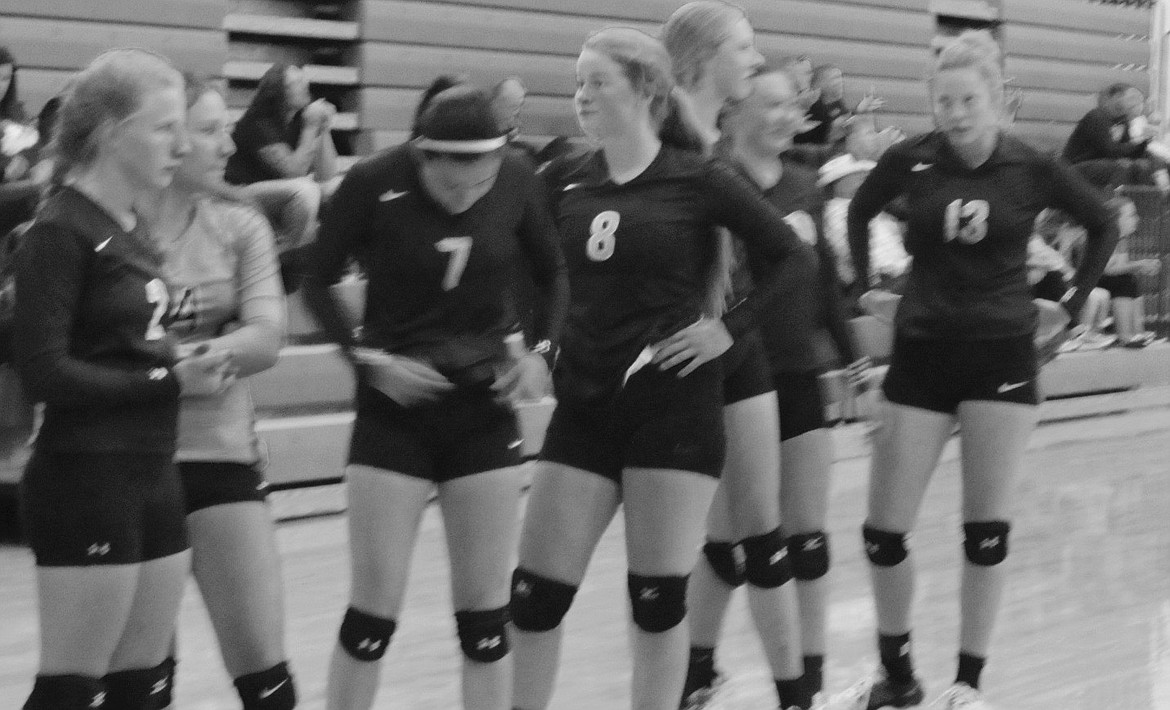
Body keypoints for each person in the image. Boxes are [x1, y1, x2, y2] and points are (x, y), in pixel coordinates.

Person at [509, 26, 814, 710]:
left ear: (647, 92)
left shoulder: (698, 178)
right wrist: (538, 344)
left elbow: (793, 260)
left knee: (656, 602)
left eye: (598, 82)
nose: (582, 95)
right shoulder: (565, 180)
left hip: (672, 414)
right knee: (532, 599)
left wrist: (724, 332)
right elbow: (532, 273)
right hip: (585, 410)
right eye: (579, 81)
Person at [827, 31, 1119, 710]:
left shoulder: (1033, 166)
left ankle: (968, 685)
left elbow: (1103, 224)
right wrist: (869, 286)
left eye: (967, 100)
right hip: (923, 352)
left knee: (984, 530)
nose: (954, 113)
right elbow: (862, 207)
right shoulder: (911, 159)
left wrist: (1071, 308)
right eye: (943, 100)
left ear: (997, 100)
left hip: (1000, 359)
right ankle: (898, 679)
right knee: (883, 531)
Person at [302, 85, 568, 710]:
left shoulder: (518, 178)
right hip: (394, 415)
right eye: (452, 187)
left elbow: (553, 271)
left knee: (484, 621)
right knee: (372, 619)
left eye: (482, 186)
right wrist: (367, 362)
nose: (467, 199)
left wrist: (541, 351)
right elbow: (315, 281)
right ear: (424, 158)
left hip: (481, 409)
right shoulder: (372, 182)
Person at [13, 48, 235, 710]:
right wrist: (172, 379)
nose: (181, 143)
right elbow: (45, 372)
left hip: (153, 472)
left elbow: (129, 344)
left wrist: (182, 362)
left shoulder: (129, 229)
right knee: (69, 689)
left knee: (142, 687)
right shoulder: (58, 230)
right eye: (165, 127)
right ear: (113, 133)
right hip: (84, 478)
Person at [681, 65, 863, 710]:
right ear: (734, 112)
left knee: (807, 538)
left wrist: (849, 357)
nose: (791, 116)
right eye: (775, 105)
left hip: (799, 371)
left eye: (794, 106)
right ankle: (694, 674)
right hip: (734, 379)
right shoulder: (713, 184)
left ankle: (808, 687)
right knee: (728, 545)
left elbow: (822, 284)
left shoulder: (806, 185)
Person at [660, 3, 808, 708]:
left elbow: (786, 256)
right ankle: (680, 681)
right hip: (661, 364)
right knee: (666, 555)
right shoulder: (657, 138)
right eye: (744, 48)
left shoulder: (717, 140)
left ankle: (793, 695)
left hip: (734, 353)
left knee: (762, 534)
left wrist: (733, 323)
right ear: (701, 58)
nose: (755, 59)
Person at [141, 76, 293, 709]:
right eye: (209, 130)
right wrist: (191, 362)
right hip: (129, 463)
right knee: (141, 681)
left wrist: (155, 361)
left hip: (219, 457)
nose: (228, 143)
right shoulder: (104, 230)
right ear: (167, 141)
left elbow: (265, 338)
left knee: (265, 675)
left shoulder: (237, 224)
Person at [225, 63, 337, 252]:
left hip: (281, 193)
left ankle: (337, 262)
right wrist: (311, 127)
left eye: (304, 80)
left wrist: (323, 128)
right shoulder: (258, 122)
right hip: (241, 193)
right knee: (305, 190)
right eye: (297, 82)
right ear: (279, 91)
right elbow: (294, 172)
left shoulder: (300, 119)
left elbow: (327, 175)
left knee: (340, 187)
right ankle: (290, 259)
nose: (306, 85)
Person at [1063, 82, 1158, 188]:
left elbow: (1128, 152)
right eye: (1131, 98)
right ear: (1117, 97)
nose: (1136, 104)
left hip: (1102, 165)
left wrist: (1144, 141)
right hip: (1075, 168)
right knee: (1118, 167)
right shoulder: (1097, 117)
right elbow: (1110, 151)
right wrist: (1136, 143)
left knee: (1142, 166)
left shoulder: (1122, 121)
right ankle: (1117, 201)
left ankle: (1146, 200)